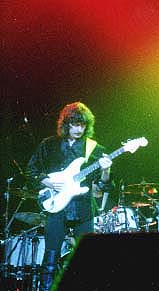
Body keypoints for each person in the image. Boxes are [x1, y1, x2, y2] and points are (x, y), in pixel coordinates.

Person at [27, 101, 113, 291]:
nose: (78, 129)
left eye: (82, 125)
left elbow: (104, 185)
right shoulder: (49, 145)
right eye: (74, 124)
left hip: (83, 208)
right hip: (57, 207)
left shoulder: (95, 149)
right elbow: (31, 171)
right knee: (51, 256)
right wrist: (47, 182)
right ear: (66, 124)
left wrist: (106, 171)